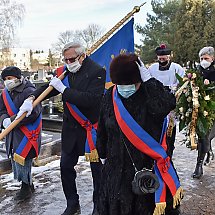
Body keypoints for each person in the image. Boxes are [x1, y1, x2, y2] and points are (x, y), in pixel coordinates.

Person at [16, 41, 106, 215]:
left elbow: (92, 100)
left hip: (90, 129)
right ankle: (72, 203)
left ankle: (99, 206)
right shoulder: (64, 71)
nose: (68, 63)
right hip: (71, 130)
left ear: (82, 55)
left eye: (71, 59)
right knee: (65, 167)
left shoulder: (97, 71)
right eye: (65, 59)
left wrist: (64, 91)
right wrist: (32, 98)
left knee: (98, 173)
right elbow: (48, 88)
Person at [96, 53, 183, 215]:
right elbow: (102, 127)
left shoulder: (149, 94)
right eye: (120, 85)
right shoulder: (111, 95)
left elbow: (166, 104)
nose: (124, 88)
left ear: (139, 80)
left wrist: (149, 80)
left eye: (129, 84)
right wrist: (101, 151)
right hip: (117, 171)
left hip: (147, 170)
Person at [0, 66, 42, 201]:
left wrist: (11, 121)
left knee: (25, 159)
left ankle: (25, 188)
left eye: (10, 78)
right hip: (12, 132)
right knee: (16, 159)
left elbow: (34, 113)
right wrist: (4, 120)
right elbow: (1, 110)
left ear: (18, 77)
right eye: (5, 79)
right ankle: (28, 184)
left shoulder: (29, 91)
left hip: (26, 133)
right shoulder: (5, 93)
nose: (7, 81)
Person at [148, 44, 185, 157]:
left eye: (165, 55)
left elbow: (182, 85)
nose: (162, 58)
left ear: (169, 56)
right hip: (156, 105)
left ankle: (169, 154)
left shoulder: (177, 68)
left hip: (171, 105)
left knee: (169, 133)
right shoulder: (152, 68)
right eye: (160, 56)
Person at [192, 46, 215, 179]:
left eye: (206, 58)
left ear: (212, 58)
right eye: (201, 58)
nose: (203, 61)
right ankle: (199, 165)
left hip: (213, 109)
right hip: (202, 110)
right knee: (203, 136)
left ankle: (208, 152)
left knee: (208, 136)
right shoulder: (196, 72)